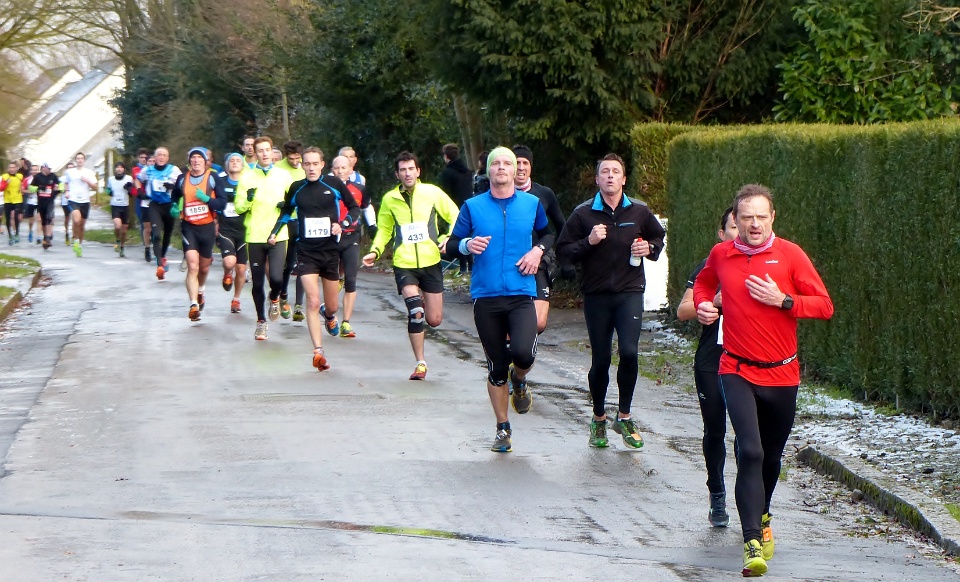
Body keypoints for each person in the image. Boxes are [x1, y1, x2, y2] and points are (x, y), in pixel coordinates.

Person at [693, 184, 833, 577]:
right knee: (750, 451)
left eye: (761, 216)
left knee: (771, 457)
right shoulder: (721, 254)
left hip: (782, 372)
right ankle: (751, 540)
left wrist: (784, 300)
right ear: (735, 221)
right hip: (736, 368)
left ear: (772, 218)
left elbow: (824, 305)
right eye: (746, 217)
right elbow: (703, 283)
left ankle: (764, 512)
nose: (754, 224)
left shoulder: (790, 254)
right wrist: (704, 305)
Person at [556, 153, 665, 451]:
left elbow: (658, 238)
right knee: (601, 360)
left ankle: (624, 416)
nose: (610, 176)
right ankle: (599, 418)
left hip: (630, 292)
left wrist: (649, 248)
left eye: (616, 172)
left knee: (629, 352)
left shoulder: (639, 211)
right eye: (605, 172)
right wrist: (588, 242)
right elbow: (563, 252)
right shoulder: (583, 214)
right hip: (597, 295)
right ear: (597, 179)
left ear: (624, 179)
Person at [446, 147, 552, 452]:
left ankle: (519, 379)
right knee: (496, 367)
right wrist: (467, 245)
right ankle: (503, 428)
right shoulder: (473, 206)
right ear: (488, 171)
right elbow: (451, 244)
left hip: (521, 293)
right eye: (496, 163)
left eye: (507, 163)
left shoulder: (532, 204)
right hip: (486, 296)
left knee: (523, 354)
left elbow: (548, 234)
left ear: (515, 171)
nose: (502, 168)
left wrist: (537, 252)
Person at [361, 151, 459, 380]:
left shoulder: (432, 193)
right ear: (397, 174)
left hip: (431, 261)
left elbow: (456, 215)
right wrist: (375, 251)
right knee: (416, 312)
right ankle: (420, 363)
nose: (407, 173)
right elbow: (385, 229)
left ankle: (422, 302)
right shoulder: (390, 199)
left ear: (418, 171)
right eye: (403, 170)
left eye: (411, 169)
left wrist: (448, 237)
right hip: (404, 262)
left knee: (434, 319)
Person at [676, 206, 738, 527]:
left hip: (748, 361)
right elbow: (683, 310)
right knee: (715, 430)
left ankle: (750, 499)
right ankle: (717, 494)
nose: (741, 232)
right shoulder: (710, 265)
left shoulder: (766, 265)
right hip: (712, 360)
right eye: (733, 227)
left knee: (748, 435)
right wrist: (710, 303)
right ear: (721, 234)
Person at [273, 147, 359, 369]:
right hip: (306, 252)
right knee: (311, 300)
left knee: (332, 306)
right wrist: (274, 232)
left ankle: (328, 315)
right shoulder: (297, 188)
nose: (311, 168)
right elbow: (286, 211)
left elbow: (354, 208)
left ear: (322, 165)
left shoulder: (334, 184)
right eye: (307, 164)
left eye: (315, 164)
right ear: (302, 165)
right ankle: (318, 352)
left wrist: (343, 224)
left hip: (330, 252)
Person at [235, 136, 295, 340]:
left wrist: (287, 207)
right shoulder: (246, 177)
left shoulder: (284, 175)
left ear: (272, 151)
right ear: (255, 153)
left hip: (278, 234)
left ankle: (275, 298)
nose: (264, 153)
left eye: (267, 149)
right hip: (255, 235)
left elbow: (295, 202)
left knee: (277, 278)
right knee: (258, 282)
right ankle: (261, 322)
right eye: (260, 150)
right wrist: (249, 200)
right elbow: (238, 207)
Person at [512, 145, 567, 333]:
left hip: (539, 262)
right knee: (510, 322)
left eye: (525, 163)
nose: (521, 167)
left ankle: (524, 346)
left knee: (538, 323)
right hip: (510, 262)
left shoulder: (544, 193)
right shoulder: (499, 195)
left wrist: (564, 260)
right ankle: (516, 349)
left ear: (531, 167)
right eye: (517, 162)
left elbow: (561, 226)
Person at [171, 147, 227, 320]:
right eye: (193, 158)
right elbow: (174, 196)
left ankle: (200, 290)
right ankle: (193, 304)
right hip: (189, 227)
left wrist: (207, 199)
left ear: (205, 162)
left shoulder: (213, 178)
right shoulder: (182, 179)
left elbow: (222, 203)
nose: (196, 161)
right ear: (189, 161)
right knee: (193, 266)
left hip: (207, 227)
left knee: (203, 268)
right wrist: (174, 207)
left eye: (199, 158)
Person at [330, 155, 373, 337]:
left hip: (351, 237)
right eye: (337, 168)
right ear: (332, 170)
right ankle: (330, 314)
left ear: (350, 170)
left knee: (351, 279)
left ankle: (346, 323)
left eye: (344, 168)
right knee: (331, 280)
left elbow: (366, 208)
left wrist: (372, 226)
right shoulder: (325, 188)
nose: (340, 171)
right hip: (330, 239)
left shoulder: (359, 189)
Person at [137, 147, 182, 278]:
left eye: (164, 155)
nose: (161, 157)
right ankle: (160, 265)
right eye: (159, 155)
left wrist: (174, 187)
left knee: (167, 234)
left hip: (169, 205)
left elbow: (184, 185)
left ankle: (162, 256)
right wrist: (139, 190)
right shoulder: (148, 170)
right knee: (156, 235)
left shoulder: (174, 170)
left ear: (168, 158)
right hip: (154, 205)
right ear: (155, 157)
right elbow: (138, 179)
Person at [275, 141, 306, 319]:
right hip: (286, 220)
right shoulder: (278, 168)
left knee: (303, 263)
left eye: (297, 158)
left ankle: (299, 304)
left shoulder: (306, 168)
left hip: (302, 220)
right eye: (291, 159)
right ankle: (283, 295)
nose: (295, 162)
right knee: (288, 263)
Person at [217, 153, 249, 313]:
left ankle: (236, 299)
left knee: (242, 269)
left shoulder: (248, 183)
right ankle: (227, 272)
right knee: (230, 262)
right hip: (226, 230)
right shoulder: (220, 182)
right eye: (232, 161)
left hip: (244, 230)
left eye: (238, 161)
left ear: (242, 165)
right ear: (227, 165)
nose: (235, 163)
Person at [438, 143, 475, 275]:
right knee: (468, 236)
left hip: (454, 207)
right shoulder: (467, 171)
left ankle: (463, 268)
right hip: (469, 206)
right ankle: (470, 267)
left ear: (446, 156)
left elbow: (446, 194)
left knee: (458, 237)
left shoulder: (448, 173)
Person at [63, 152, 98, 257]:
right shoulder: (70, 172)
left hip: (85, 201)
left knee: (82, 225)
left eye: (81, 158)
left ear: (84, 160)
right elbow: (66, 183)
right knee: (77, 220)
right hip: (73, 199)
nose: (80, 160)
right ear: (75, 160)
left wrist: (87, 181)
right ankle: (76, 240)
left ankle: (80, 245)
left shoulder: (89, 172)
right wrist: (67, 192)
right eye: (78, 158)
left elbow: (95, 187)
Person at [106, 162, 135, 257]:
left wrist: (129, 189)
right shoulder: (111, 179)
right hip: (115, 205)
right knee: (118, 226)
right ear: (115, 169)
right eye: (117, 167)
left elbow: (133, 192)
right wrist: (109, 192)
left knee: (124, 230)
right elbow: (107, 189)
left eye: (121, 167)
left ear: (124, 169)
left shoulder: (129, 178)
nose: (119, 169)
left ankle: (122, 247)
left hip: (125, 206)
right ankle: (117, 240)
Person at [31, 163, 59, 249]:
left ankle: (48, 237)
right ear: (43, 168)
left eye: (50, 169)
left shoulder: (53, 176)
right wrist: (39, 188)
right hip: (41, 201)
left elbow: (60, 185)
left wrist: (57, 191)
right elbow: (31, 188)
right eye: (48, 169)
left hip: (50, 201)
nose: (49, 170)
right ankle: (45, 237)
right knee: (43, 220)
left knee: (49, 217)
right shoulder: (38, 176)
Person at [131, 149, 152, 259]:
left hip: (154, 199)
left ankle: (153, 243)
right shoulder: (136, 170)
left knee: (155, 224)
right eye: (141, 157)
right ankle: (146, 245)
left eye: (145, 157)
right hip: (141, 199)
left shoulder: (155, 169)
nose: (143, 159)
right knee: (144, 223)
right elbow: (135, 182)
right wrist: (134, 191)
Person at [2, 161, 24, 244]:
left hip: (18, 199)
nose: (12, 169)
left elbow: (23, 185)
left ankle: (17, 233)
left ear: (16, 168)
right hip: (8, 200)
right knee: (8, 218)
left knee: (16, 217)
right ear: (8, 169)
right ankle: (10, 235)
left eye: (13, 167)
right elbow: (1, 188)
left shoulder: (20, 176)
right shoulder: (5, 176)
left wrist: (23, 189)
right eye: (10, 167)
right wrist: (6, 183)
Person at [22, 163, 40, 243]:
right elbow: (22, 190)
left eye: (36, 170)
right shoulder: (27, 179)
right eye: (33, 170)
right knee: (31, 220)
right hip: (31, 201)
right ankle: (30, 231)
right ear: (31, 171)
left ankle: (39, 236)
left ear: (38, 171)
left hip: (40, 201)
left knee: (39, 219)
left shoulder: (42, 178)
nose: (34, 171)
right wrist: (29, 191)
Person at [59, 161, 74, 244]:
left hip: (75, 200)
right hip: (65, 201)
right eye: (69, 168)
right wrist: (62, 189)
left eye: (72, 168)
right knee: (67, 218)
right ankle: (67, 233)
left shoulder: (76, 176)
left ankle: (74, 235)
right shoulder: (62, 179)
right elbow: (59, 188)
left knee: (75, 218)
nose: (70, 170)